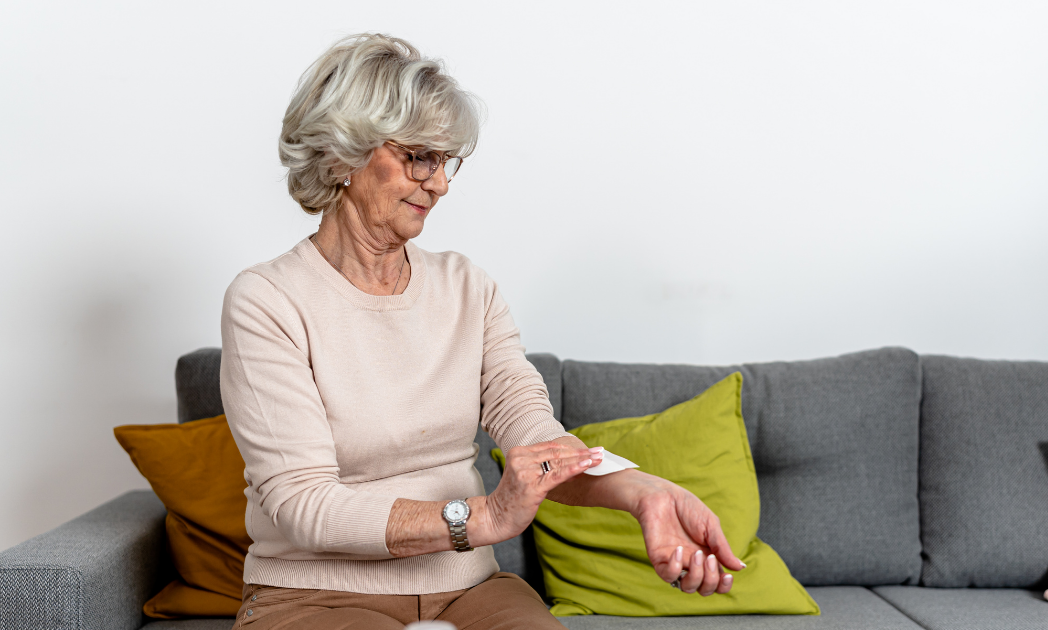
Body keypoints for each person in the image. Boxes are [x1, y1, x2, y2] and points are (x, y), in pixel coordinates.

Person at [220, 33, 743, 630]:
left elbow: (537, 440)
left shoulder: (467, 287)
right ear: (343, 154)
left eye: (445, 162)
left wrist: (645, 492)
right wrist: (483, 518)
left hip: (466, 591)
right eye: (419, 155)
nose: (439, 184)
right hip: (316, 595)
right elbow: (302, 505)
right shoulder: (267, 300)